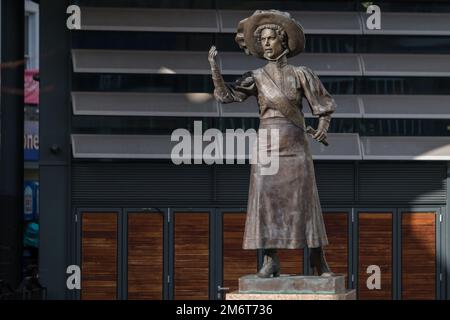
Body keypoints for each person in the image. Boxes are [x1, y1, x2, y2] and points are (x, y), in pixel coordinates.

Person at [208, 10, 337, 277]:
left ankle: (317, 260)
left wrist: (323, 129)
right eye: (263, 39)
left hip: (295, 145)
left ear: (284, 42)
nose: (266, 43)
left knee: (305, 202)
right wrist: (215, 72)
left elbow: (323, 108)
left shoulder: (301, 74)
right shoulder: (255, 77)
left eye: (271, 38)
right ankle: (270, 260)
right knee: (265, 200)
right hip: (267, 143)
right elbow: (226, 97)